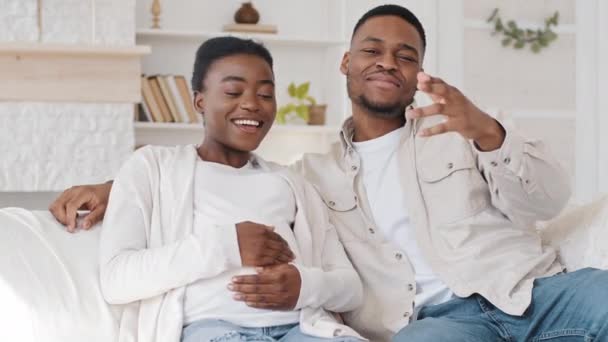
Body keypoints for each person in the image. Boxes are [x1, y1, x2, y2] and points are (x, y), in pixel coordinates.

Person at [50, 4, 608, 342]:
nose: (388, 61)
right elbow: (227, 182)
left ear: (418, 73)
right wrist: (116, 186)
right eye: (372, 49)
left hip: (529, 291)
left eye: (406, 55)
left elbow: (549, 202)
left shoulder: (460, 126)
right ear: (346, 63)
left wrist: (487, 131)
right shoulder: (310, 175)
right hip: (437, 324)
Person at [97, 36, 364, 342]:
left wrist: (305, 286)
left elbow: (351, 288)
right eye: (233, 91)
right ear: (199, 100)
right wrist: (227, 245)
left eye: (265, 94)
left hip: (301, 328)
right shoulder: (154, 167)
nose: (252, 103)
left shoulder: (292, 182)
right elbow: (117, 279)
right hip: (214, 329)